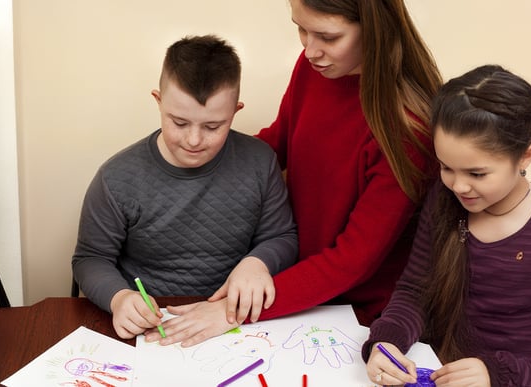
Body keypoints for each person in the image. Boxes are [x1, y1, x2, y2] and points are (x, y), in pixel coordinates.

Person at [149, 0, 442, 347]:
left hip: (361, 314)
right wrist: (178, 165)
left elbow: (351, 261)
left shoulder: (409, 128)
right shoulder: (313, 68)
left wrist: (233, 310)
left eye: (328, 37)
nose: (310, 49)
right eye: (301, 29)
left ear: (376, 30)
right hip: (292, 282)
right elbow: (275, 147)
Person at [72, 35, 298, 341]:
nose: (194, 140)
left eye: (212, 126)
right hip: (153, 326)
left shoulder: (260, 161)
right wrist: (119, 298)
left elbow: (281, 236)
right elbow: (90, 259)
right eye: (179, 122)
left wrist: (258, 263)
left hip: (232, 319)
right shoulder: (117, 177)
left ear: (235, 111)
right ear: (158, 100)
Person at [363, 65, 531, 386]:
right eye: (447, 167)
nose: (459, 186)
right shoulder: (444, 200)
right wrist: (387, 342)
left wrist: (495, 374)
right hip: (436, 370)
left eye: (476, 174)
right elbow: (414, 292)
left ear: (526, 156)